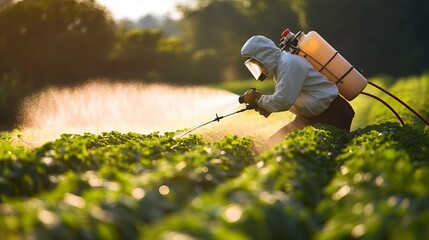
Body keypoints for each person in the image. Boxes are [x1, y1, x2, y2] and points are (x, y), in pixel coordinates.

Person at [240, 35, 355, 147]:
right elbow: (288, 97)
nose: (256, 65)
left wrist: (257, 99)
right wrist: (264, 105)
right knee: (273, 144)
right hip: (310, 118)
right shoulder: (280, 67)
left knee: (330, 155)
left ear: (263, 56)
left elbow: (283, 100)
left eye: (255, 61)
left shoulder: (289, 64)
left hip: (332, 115)